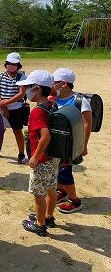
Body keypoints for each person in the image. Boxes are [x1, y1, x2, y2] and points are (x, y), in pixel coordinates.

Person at [17, 70, 58, 237]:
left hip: (41, 159)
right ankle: (48, 217)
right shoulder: (51, 104)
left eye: (28, 87)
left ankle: (40, 225)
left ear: (38, 89)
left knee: (39, 193)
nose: (26, 91)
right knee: (51, 187)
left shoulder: (37, 111)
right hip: (53, 157)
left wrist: (34, 157)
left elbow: (46, 135)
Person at [52, 68, 92, 213]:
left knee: (64, 171)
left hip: (70, 145)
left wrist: (84, 145)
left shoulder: (80, 100)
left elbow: (87, 123)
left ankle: (75, 201)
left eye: (54, 82)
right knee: (56, 170)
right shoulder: (54, 97)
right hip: (56, 143)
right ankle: (61, 191)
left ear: (63, 83)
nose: (52, 85)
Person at [0, 52, 28, 164]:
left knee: (17, 131)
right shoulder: (0, 76)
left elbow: (21, 94)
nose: (11, 66)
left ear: (18, 65)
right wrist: (2, 105)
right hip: (0, 108)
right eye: (9, 63)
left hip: (15, 109)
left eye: (14, 64)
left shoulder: (22, 77)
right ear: (6, 64)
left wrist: (5, 103)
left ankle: (21, 153)